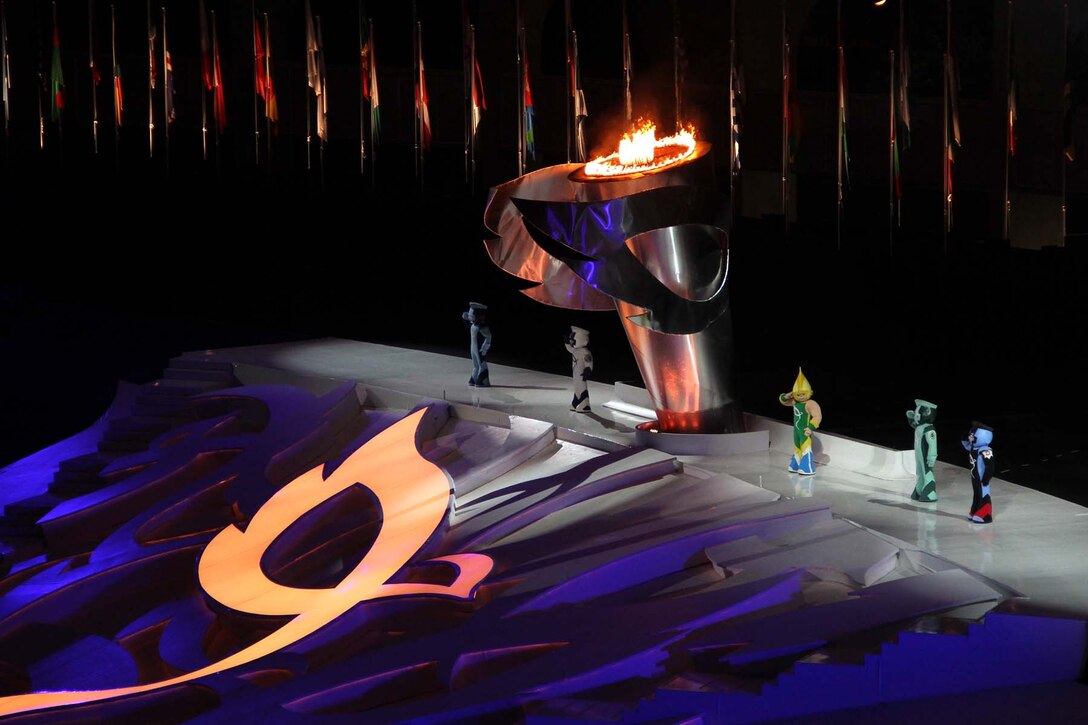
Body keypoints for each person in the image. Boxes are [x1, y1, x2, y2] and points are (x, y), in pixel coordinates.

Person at [778, 368, 822, 475]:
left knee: (806, 448)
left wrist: (811, 427)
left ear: (810, 392)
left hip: (804, 431)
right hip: (796, 432)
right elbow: (783, 401)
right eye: (799, 394)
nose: (801, 396)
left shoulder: (810, 403)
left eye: (803, 394)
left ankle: (808, 468)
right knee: (797, 448)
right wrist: (786, 396)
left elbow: (817, 416)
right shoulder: (795, 402)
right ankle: (795, 464)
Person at [907, 399, 939, 502]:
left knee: (927, 472)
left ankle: (930, 493)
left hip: (925, 456)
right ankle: (919, 490)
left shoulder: (929, 430)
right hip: (919, 455)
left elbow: (932, 445)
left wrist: (931, 456)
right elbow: (914, 424)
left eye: (918, 413)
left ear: (927, 412)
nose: (916, 415)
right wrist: (910, 417)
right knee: (920, 472)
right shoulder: (921, 427)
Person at [962, 423, 994, 523]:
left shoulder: (985, 450)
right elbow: (966, 444)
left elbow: (990, 466)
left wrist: (986, 478)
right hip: (975, 477)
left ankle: (985, 514)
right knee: (976, 494)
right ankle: (975, 510)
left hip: (982, 479)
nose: (971, 436)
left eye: (973, 434)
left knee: (983, 494)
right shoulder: (974, 448)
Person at [462, 302, 492, 387]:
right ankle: (474, 378)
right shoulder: (474, 325)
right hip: (473, 348)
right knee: (475, 363)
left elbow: (488, 337)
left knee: (481, 363)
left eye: (472, 314)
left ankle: (483, 379)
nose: (470, 316)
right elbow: (469, 325)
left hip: (479, 348)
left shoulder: (482, 326)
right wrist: (465, 318)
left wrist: (485, 348)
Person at [565, 326, 593, 412]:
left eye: (573, 340)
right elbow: (570, 349)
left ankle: (585, 405)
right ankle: (575, 402)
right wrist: (566, 343)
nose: (571, 342)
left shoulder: (585, 352)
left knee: (582, 388)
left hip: (581, 374)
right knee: (577, 388)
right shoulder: (576, 350)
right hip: (576, 373)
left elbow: (589, 362)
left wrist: (588, 370)